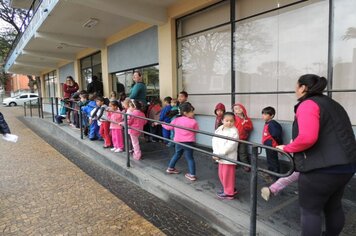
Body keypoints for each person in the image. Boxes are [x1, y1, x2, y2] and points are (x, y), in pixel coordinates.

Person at [276, 74, 356, 236]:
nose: (295, 91)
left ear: (303, 88)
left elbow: (307, 137)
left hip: (320, 169)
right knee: (334, 206)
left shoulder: (308, 104)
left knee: (310, 211)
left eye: (296, 87)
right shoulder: (333, 104)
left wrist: (287, 147)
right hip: (346, 166)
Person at [163, 102, 199, 181]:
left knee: (177, 154)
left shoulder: (176, 119)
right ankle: (192, 174)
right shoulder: (193, 121)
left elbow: (169, 127)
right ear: (185, 113)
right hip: (189, 142)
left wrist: (162, 124)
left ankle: (170, 168)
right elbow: (196, 131)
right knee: (190, 158)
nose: (193, 113)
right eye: (192, 111)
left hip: (178, 141)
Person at [212, 112, 239, 200]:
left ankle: (229, 193)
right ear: (222, 120)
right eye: (227, 120)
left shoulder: (234, 131)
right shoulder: (220, 128)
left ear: (234, 121)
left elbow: (230, 146)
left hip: (228, 157)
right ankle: (228, 188)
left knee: (228, 175)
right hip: (219, 155)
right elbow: (214, 140)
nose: (229, 123)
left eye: (231, 121)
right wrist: (216, 153)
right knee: (221, 174)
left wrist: (219, 154)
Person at [261, 106, 283, 182]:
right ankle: (270, 173)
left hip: (272, 145)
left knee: (273, 160)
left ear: (272, 115)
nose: (263, 115)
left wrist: (278, 145)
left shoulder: (273, 124)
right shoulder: (267, 123)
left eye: (265, 114)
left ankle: (276, 177)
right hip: (268, 145)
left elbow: (276, 135)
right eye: (263, 114)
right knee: (270, 160)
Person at [232, 103, 253, 172]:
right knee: (233, 152)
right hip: (234, 138)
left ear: (243, 109)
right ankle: (234, 164)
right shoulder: (233, 118)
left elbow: (250, 128)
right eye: (235, 109)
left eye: (239, 108)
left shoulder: (247, 119)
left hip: (243, 139)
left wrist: (245, 124)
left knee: (243, 152)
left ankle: (245, 165)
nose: (238, 110)